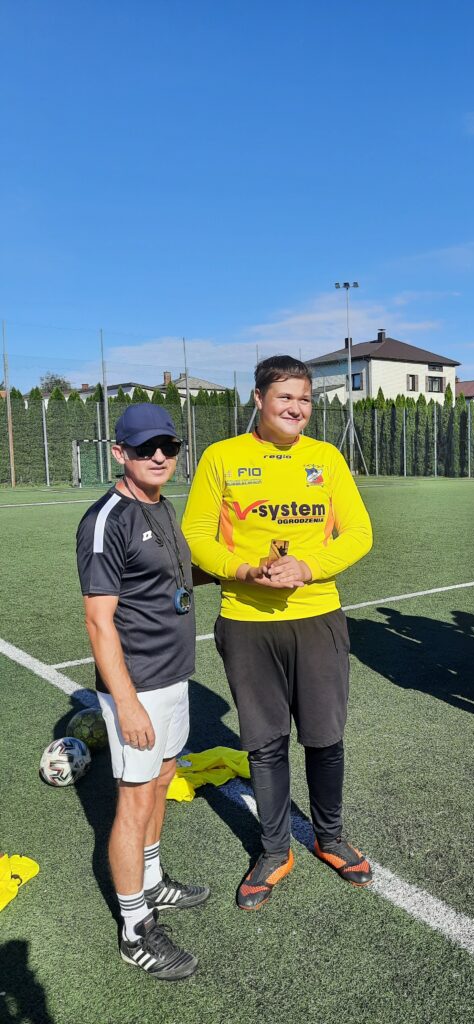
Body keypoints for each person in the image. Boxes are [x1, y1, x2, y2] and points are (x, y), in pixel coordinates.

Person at [182, 355, 374, 911]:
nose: (296, 408)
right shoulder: (223, 457)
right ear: (259, 399)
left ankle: (330, 837)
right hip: (246, 620)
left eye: (305, 399)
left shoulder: (326, 458)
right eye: (285, 397)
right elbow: (195, 536)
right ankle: (273, 850)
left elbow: (359, 533)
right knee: (264, 743)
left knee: (325, 736)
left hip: (317, 616)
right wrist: (244, 570)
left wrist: (308, 567)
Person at [76, 404, 207, 982]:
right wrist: (125, 702)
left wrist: (241, 567)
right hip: (138, 685)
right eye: (144, 447)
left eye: (168, 446)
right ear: (119, 452)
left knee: (160, 780)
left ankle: (153, 880)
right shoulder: (106, 519)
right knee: (133, 802)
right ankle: (134, 929)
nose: (158, 456)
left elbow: (174, 576)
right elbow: (98, 621)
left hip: (175, 675)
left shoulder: (162, 504)